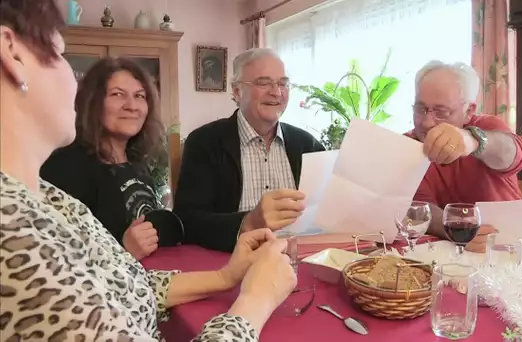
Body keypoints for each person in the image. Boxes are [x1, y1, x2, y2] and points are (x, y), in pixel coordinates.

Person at [0, 1, 295, 341]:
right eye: (60, 54)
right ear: (12, 53)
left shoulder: (45, 198)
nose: (73, 81)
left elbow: (122, 281)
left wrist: (227, 277)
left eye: (140, 95)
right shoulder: (15, 232)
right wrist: (256, 299)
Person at [174, 48, 325, 252]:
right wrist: (247, 222)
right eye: (264, 83)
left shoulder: (308, 145)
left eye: (282, 83)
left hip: (298, 261)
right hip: (232, 263)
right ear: (237, 91)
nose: (276, 92)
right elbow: (186, 222)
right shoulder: (204, 142)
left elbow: (326, 212)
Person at [40, 57, 172, 260]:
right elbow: (58, 258)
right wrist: (124, 250)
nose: (132, 106)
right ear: (92, 101)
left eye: (140, 96)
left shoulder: (137, 163)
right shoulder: (64, 168)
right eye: (117, 94)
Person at [406, 60, 522, 252]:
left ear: (469, 111)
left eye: (441, 112)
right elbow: (418, 207)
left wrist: (474, 140)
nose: (427, 123)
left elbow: (514, 154)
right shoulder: (408, 145)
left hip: (508, 249)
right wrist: (457, 230)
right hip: (446, 256)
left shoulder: (489, 127)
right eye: (421, 109)